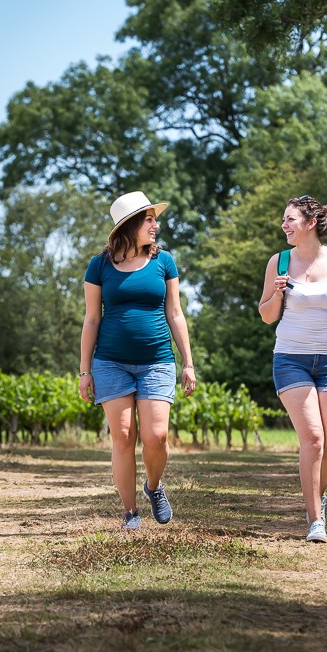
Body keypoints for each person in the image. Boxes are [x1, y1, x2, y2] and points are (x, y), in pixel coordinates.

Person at [79, 191, 196, 531]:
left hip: (157, 361)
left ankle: (154, 487)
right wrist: (85, 370)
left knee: (157, 436)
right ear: (130, 225)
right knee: (124, 435)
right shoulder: (99, 265)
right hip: (110, 363)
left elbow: (175, 313)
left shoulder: (164, 262)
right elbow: (91, 319)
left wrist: (188, 362)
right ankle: (130, 513)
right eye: (149, 219)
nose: (156, 225)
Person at [258, 195, 327, 543]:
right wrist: (276, 295)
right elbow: (266, 314)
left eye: (290, 219)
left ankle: (313, 495)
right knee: (315, 439)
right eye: (283, 220)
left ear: (309, 223)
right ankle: (315, 519)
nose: (284, 226)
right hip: (291, 358)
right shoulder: (278, 262)